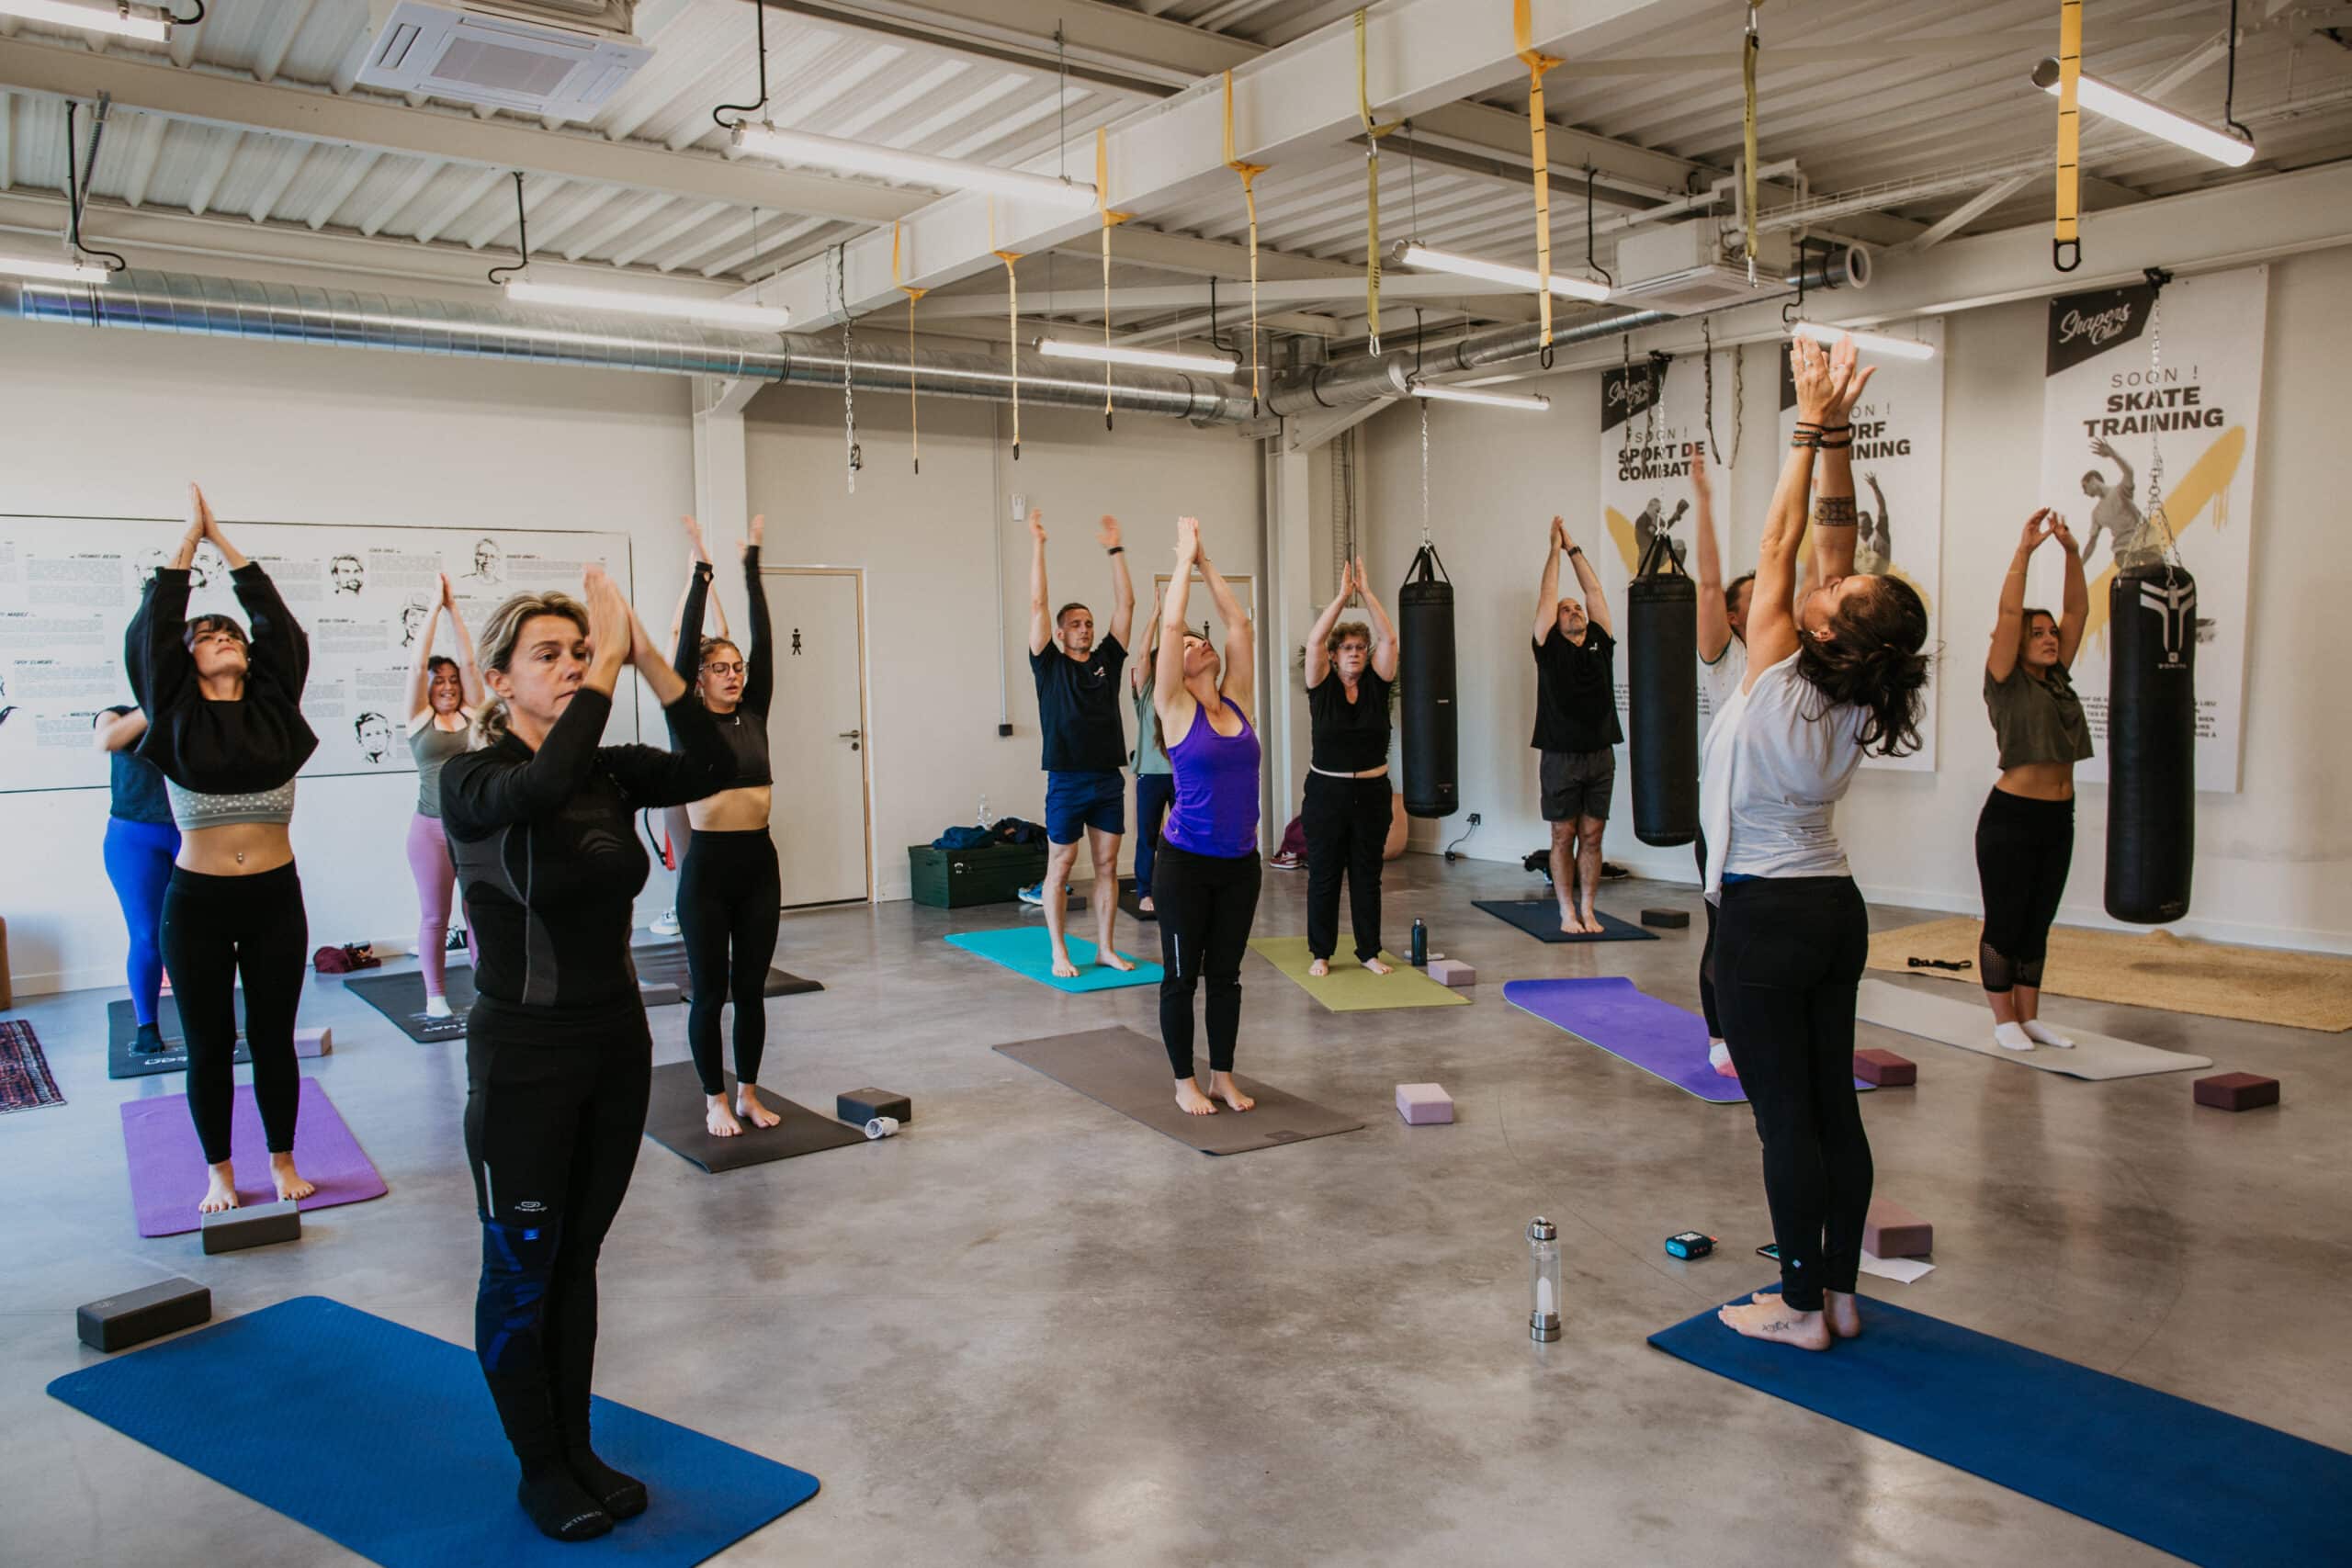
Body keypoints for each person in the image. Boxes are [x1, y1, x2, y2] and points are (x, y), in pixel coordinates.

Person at [442, 567, 729, 1541]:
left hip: (615, 1047)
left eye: (579, 651)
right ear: (497, 680)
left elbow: (719, 759)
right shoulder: (471, 778)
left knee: (578, 1260)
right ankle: (539, 1466)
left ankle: (577, 1446)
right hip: (523, 1055)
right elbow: (543, 782)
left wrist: (650, 658)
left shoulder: (612, 769)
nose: (570, 668)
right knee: (523, 1268)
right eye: (548, 657)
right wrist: (609, 667)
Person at [1703, 334, 1929, 1352]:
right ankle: (1838, 1293)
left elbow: (1784, 538)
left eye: (1830, 599)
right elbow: (1830, 547)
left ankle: (1798, 1310)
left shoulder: (1777, 668)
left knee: (1784, 1121)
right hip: (1833, 911)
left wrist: (1805, 426)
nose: (1814, 590)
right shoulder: (1850, 682)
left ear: (1830, 633)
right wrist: (1838, 430)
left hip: (1764, 916)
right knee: (1832, 1110)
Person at [126, 485, 319, 1216]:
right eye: (209, 636)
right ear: (187, 659)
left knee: (274, 1037)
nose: (228, 639)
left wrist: (228, 546)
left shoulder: (274, 709)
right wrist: (186, 544)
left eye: (231, 634)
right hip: (198, 901)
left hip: (274, 894)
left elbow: (282, 630)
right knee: (209, 1043)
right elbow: (152, 638)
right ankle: (219, 1171)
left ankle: (283, 1158)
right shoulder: (176, 717)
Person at [668, 513, 784, 1137]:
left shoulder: (756, 709)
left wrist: (753, 564)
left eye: (737, 666)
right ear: (701, 677)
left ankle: (747, 1092)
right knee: (710, 993)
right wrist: (701, 572)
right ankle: (712, 1097)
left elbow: (765, 638)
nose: (735, 673)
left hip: (759, 866)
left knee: (753, 990)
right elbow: (685, 643)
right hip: (708, 871)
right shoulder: (687, 720)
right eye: (722, 667)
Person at [1152, 516, 1261, 1118]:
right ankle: (1182, 1080)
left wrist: (1206, 559)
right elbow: (1171, 622)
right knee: (1180, 977)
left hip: (1241, 863)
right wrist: (1182, 560)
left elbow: (1239, 622)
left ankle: (1221, 1075)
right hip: (1186, 864)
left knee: (1227, 975)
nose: (1199, 643)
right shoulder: (1174, 708)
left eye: (1200, 640)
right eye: (1191, 646)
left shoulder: (1238, 699)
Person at [1979, 507, 2092, 1051]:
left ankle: (2029, 1017)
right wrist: (2024, 552)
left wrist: (2071, 552)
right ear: (2017, 642)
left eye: (2052, 634)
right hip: (2011, 818)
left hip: (2058, 817)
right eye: (2038, 633)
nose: (2050, 639)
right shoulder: (2005, 679)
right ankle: (2003, 1020)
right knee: (2004, 922)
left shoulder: (2059, 679)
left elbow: (2078, 608)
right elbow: (2008, 611)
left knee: (2038, 923)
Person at [1026, 509, 1136, 978]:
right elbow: (1037, 603)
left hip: (1107, 778)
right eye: (1075, 624)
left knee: (1108, 864)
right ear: (1059, 632)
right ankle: (1058, 951)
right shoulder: (1048, 665)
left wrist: (1115, 548)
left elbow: (1126, 606)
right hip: (1067, 780)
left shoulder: (1107, 660)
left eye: (1088, 623)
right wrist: (1038, 545)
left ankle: (1106, 949)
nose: (1085, 629)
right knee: (1063, 862)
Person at [1302, 556, 1399, 976]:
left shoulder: (1378, 685)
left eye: (1361, 647)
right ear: (1335, 656)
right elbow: (1312, 643)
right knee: (1324, 874)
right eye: (1347, 648)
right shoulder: (1321, 687)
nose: (1355, 653)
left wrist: (1368, 592)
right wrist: (1343, 597)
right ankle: (1321, 953)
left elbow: (1390, 640)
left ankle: (1369, 951)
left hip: (1373, 794)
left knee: (1367, 875)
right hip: (1327, 792)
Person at [1531, 515, 1622, 936]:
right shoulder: (1549, 648)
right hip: (1561, 755)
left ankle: (1589, 908)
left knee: (1593, 834)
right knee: (1563, 833)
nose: (1573, 610)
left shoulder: (1601, 641)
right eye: (1566, 610)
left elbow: (1594, 590)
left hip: (1600, 752)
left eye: (1575, 608)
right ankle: (1566, 911)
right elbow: (1549, 594)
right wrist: (1553, 550)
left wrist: (1574, 549)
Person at [1690, 449, 1749, 1077]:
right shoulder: (1723, 659)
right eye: (1753, 598)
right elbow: (1708, 584)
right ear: (1733, 617)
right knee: (1725, 931)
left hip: (1777, 828)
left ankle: (1761, 1024)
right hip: (1724, 820)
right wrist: (1704, 500)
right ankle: (1719, 1034)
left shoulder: (1794, 664)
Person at [405, 570, 483, 1020]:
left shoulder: (473, 713)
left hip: (472, 828)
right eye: (440, 681)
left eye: (452, 679)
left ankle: (485, 988)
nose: (449, 686)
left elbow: (472, 666)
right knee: (436, 917)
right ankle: (435, 996)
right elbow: (416, 667)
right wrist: (434, 609)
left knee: (479, 914)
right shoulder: (418, 719)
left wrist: (457, 613)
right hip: (430, 830)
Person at [93, 705, 178, 1055]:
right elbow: (107, 739)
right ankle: (147, 1026)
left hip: (191, 834)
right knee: (146, 934)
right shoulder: (115, 715)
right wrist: (156, 703)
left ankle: (211, 1018)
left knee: (204, 935)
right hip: (133, 838)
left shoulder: (190, 713)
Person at [1127, 595, 1175, 919]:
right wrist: (1157, 614)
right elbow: (1143, 653)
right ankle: (1145, 892)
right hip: (1150, 774)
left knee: (1186, 835)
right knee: (1147, 836)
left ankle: (1184, 885)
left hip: (1182, 774)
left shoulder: (1181, 696)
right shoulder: (1145, 694)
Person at [2078, 437, 2158, 571]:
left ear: (2093, 480)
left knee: (2158, 572)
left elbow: (2129, 472)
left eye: (2084, 487)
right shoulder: (2097, 513)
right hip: (2124, 548)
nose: (2084, 493)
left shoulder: (2120, 491)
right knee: (2128, 571)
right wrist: (2080, 565)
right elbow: (2091, 543)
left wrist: (2112, 454)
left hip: (2145, 540)